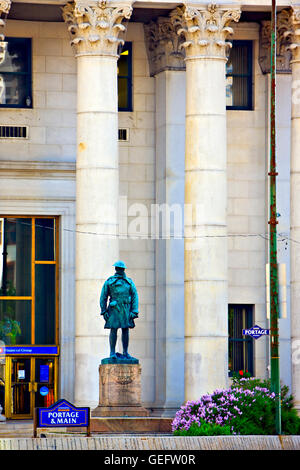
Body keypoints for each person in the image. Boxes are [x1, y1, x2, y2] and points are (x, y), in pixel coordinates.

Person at [100, 261, 139, 359]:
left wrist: (134, 311)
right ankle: (112, 352)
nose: (120, 270)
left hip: (126, 308)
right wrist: (104, 310)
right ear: (116, 269)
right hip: (114, 309)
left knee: (125, 330)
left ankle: (125, 352)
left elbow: (135, 296)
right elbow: (103, 297)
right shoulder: (110, 282)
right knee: (114, 330)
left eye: (121, 268)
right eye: (118, 268)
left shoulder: (129, 282)